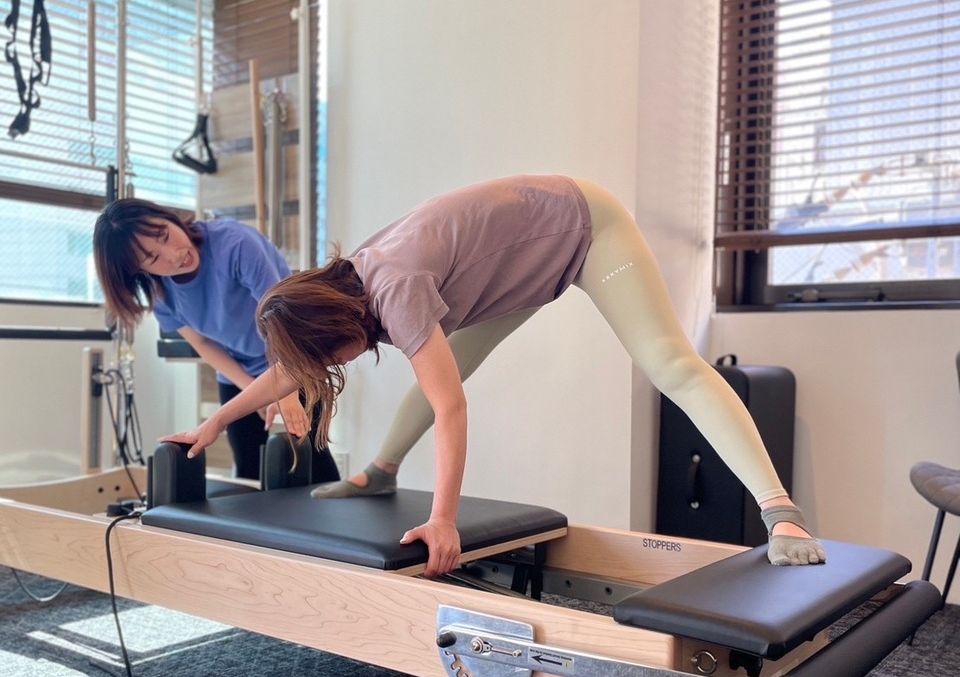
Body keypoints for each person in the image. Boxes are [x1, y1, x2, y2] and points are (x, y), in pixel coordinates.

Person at [162, 175, 826, 577]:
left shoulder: (394, 290)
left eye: (329, 356)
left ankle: (781, 513)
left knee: (670, 364)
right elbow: (287, 372)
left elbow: (450, 408)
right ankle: (380, 472)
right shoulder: (348, 290)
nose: (334, 366)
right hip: (516, 266)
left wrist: (442, 520)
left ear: (338, 325)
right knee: (449, 365)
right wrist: (215, 422)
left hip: (585, 229)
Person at [93, 197, 340, 485]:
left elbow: (281, 319)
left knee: (312, 455)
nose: (174, 254)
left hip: (295, 355)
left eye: (165, 235)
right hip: (239, 370)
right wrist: (251, 390)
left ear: (169, 218)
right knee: (248, 466)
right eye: (152, 258)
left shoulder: (236, 244)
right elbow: (204, 344)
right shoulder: (161, 295)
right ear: (139, 271)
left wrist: (282, 389)